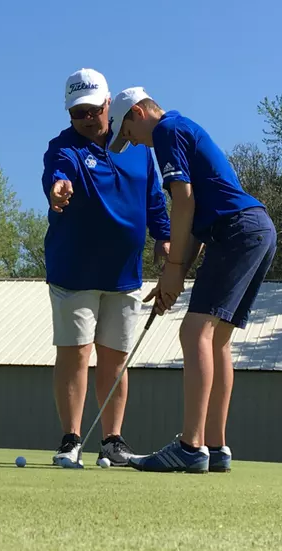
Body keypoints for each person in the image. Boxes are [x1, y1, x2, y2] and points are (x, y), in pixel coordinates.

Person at [107, 87, 276, 473]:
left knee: (194, 332)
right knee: (217, 339)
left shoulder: (166, 131)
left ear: (137, 112)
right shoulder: (185, 127)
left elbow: (183, 202)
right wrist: (176, 276)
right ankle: (215, 448)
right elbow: (196, 224)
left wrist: (171, 268)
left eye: (128, 133)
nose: (131, 142)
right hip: (257, 230)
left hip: (236, 230)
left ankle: (190, 446)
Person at [42, 69, 171, 467]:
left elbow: (153, 201)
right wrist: (58, 188)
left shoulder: (138, 147)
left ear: (107, 105)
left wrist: (164, 237)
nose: (85, 119)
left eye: (92, 110)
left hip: (124, 274)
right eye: (77, 112)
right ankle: (71, 440)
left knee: (115, 357)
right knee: (76, 353)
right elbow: (57, 172)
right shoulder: (63, 148)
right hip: (73, 273)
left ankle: (112, 442)